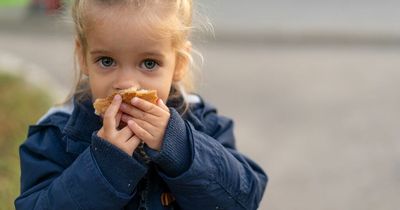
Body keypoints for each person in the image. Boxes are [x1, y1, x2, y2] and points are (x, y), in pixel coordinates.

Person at [15, 0, 267, 209]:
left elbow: (244, 199)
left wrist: (180, 147)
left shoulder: (203, 122)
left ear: (178, 64)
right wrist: (105, 166)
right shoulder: (57, 135)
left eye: (149, 63)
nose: (125, 84)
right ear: (82, 57)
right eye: (106, 60)